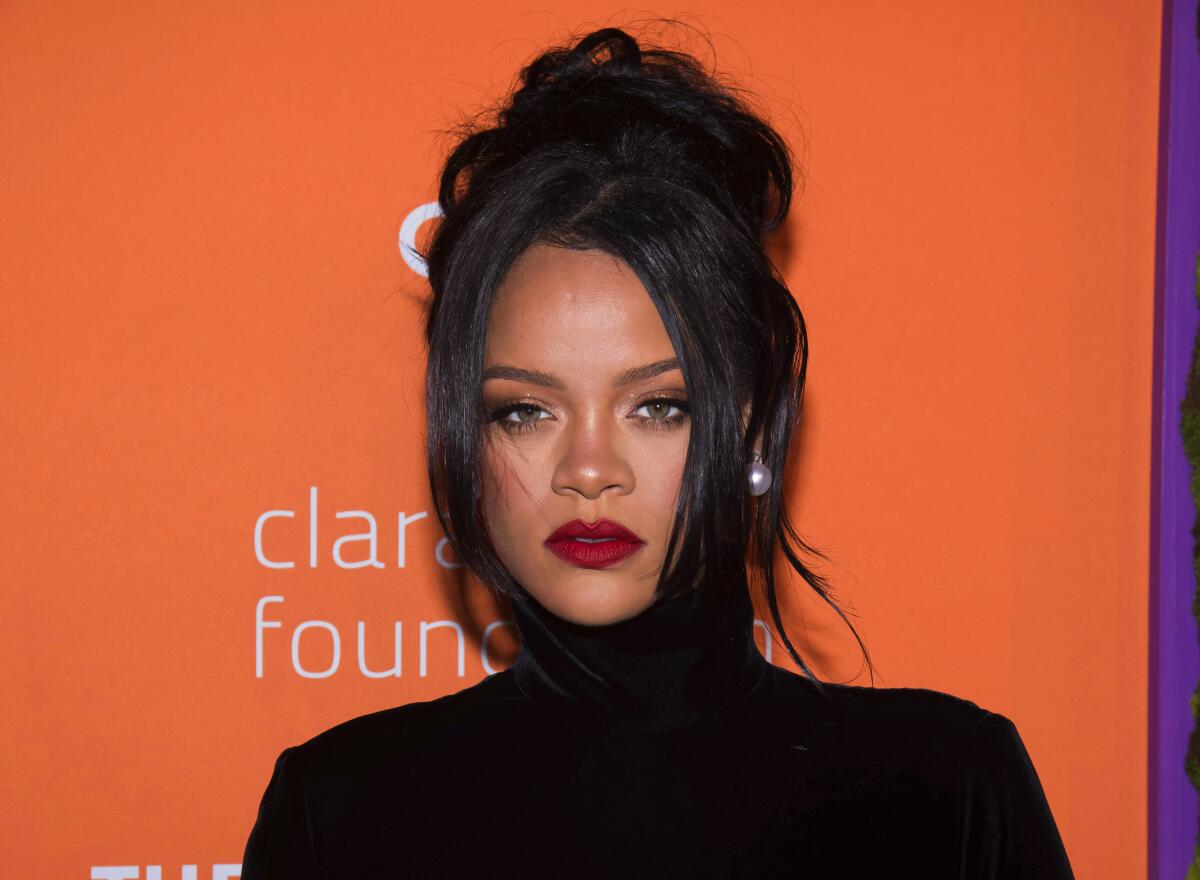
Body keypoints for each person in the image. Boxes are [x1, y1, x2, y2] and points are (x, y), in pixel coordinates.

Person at [240, 25, 1074, 878]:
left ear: (750, 425)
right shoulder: (343, 813)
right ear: (463, 430)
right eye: (526, 411)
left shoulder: (950, 795)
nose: (590, 469)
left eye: (657, 406)